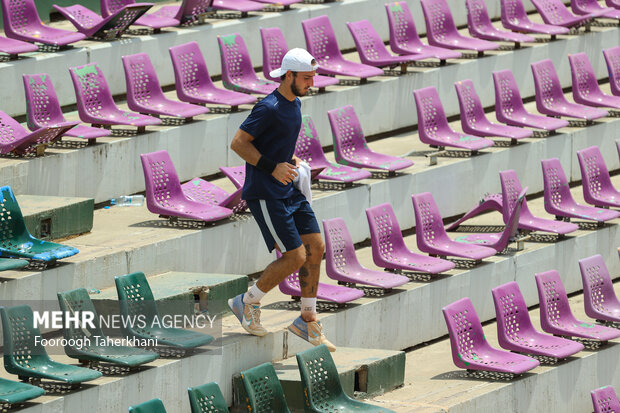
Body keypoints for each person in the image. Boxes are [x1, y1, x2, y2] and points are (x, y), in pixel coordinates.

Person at [227, 48, 336, 352]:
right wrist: (271, 167)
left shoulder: (295, 103)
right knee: (295, 256)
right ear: (289, 75)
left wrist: (293, 160)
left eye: (313, 77)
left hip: (289, 189)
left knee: (316, 246)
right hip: (266, 193)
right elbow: (238, 143)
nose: (311, 82)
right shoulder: (269, 107)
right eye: (306, 78)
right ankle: (245, 303)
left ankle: (307, 320)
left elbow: (278, 143)